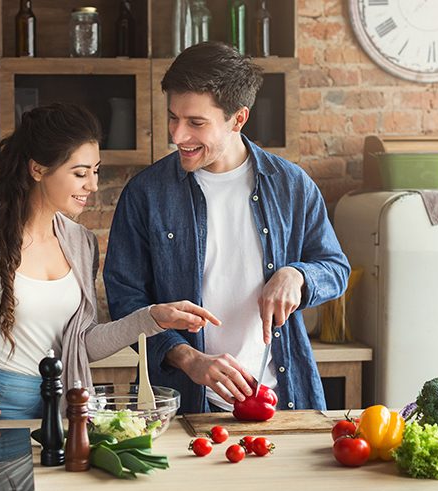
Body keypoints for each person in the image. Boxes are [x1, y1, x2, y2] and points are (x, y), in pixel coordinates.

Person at [0, 103, 219, 425]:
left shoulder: (81, 243)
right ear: (38, 170)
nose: (93, 185)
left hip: (65, 405)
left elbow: (82, 344)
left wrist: (152, 317)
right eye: (80, 173)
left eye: (95, 171)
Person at [103, 42, 350, 414]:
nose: (177, 135)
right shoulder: (146, 194)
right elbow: (126, 300)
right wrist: (187, 358)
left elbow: (335, 268)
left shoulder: (292, 186)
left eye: (196, 123)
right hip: (182, 406)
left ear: (238, 118)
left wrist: (297, 275)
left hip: (281, 400)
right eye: (173, 117)